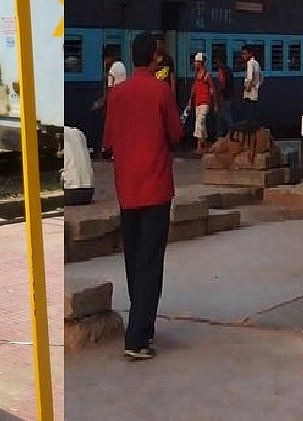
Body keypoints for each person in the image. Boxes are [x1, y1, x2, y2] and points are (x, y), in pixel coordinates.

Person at [102, 32, 182, 360]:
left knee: (134, 260)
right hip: (156, 186)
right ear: (153, 58)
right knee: (151, 261)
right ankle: (137, 337)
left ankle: (141, 326)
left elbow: (107, 141)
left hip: (127, 189)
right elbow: (176, 134)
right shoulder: (161, 91)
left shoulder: (117, 95)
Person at [90, 49, 129, 158]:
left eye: (106, 59)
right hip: (123, 100)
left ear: (109, 57)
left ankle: (108, 149)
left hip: (114, 101)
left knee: (111, 126)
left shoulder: (112, 70)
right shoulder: (122, 65)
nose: (105, 62)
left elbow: (110, 90)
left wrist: (101, 103)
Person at [186, 53, 215, 153]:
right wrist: (190, 100)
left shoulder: (207, 75)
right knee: (202, 124)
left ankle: (199, 146)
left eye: (196, 62)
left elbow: (212, 89)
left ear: (201, 62)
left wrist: (215, 104)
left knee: (199, 122)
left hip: (205, 102)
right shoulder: (196, 75)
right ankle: (205, 144)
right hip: (197, 102)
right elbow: (194, 88)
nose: (194, 63)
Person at [240, 46, 263, 131]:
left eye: (244, 54)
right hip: (255, 92)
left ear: (250, 54)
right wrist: (257, 85)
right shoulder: (256, 63)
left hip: (249, 93)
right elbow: (261, 77)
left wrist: (246, 90)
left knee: (249, 112)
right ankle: (254, 126)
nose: (243, 56)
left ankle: (250, 128)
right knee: (254, 111)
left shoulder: (249, 63)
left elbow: (249, 78)